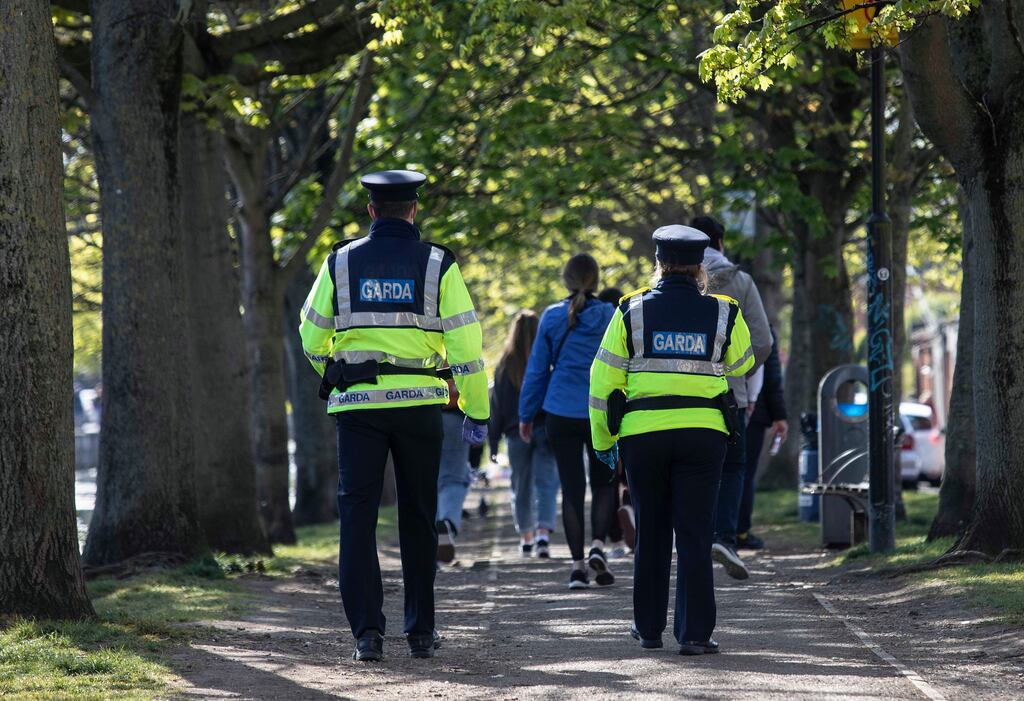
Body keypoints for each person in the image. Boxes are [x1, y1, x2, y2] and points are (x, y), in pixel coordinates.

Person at [298, 170, 489, 662]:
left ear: (371, 211)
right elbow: (466, 343)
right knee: (419, 516)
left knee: (356, 517)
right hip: (420, 406)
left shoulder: (339, 262)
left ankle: (367, 634)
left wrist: (337, 372)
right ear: (414, 209)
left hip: (358, 408)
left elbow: (311, 335)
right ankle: (421, 631)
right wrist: (475, 408)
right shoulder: (437, 264)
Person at [589, 225, 754, 655]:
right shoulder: (725, 311)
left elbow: (602, 381)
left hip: (644, 437)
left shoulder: (630, 311)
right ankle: (695, 635)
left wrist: (604, 440)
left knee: (653, 532)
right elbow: (743, 362)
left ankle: (647, 630)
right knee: (697, 534)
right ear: (700, 267)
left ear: (658, 264)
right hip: (704, 436)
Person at [519, 254, 617, 589]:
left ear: (566, 279)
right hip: (600, 412)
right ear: (596, 281)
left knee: (572, 489)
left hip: (560, 412)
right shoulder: (610, 315)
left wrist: (526, 414)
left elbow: (536, 371)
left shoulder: (551, 316)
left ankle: (577, 568)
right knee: (604, 484)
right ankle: (599, 546)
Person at [690, 215, 772, 581]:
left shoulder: (671, 280)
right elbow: (764, 341)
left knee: (693, 467)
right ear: (721, 242)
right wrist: (741, 372)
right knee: (733, 465)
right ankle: (724, 535)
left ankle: (694, 536)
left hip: (680, 393)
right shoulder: (740, 282)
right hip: (729, 395)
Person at [489, 311, 560, 558]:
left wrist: (493, 442)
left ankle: (526, 537)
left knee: (520, 486)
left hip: (514, 434)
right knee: (547, 483)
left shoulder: (504, 365)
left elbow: (496, 408)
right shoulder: (547, 361)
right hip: (545, 430)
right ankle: (543, 535)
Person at [737, 326, 788, 549]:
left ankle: (718, 529)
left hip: (718, 408)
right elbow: (773, 377)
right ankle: (741, 531)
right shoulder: (762, 331)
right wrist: (779, 416)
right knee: (745, 473)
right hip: (755, 412)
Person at [598, 287, 632, 557]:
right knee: (633, 477)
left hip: (605, 415)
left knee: (607, 481)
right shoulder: (629, 324)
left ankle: (615, 538)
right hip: (634, 413)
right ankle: (632, 509)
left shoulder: (600, 331)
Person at [437, 376, 471, 564]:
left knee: (428, 480)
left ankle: (431, 536)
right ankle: (447, 524)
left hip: (421, 412)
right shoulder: (454, 346)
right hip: (455, 415)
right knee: (453, 479)